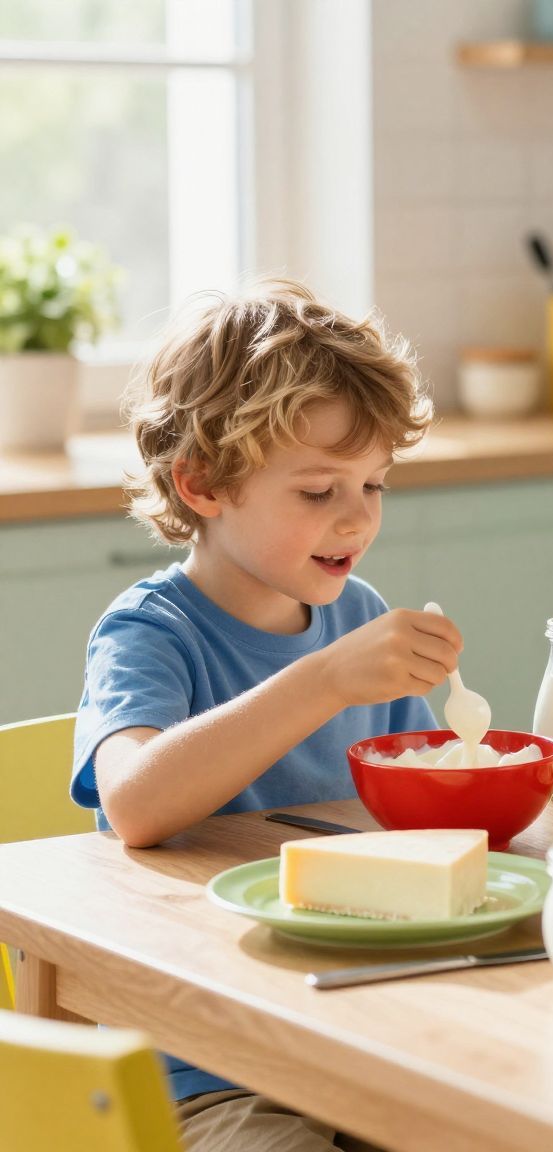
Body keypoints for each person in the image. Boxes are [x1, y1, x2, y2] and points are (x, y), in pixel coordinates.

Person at [72, 279, 456, 1152]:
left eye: (374, 485)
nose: (356, 517)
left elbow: (423, 812)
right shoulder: (151, 634)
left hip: (359, 1039)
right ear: (202, 484)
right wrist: (323, 681)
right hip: (207, 1070)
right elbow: (133, 803)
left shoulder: (358, 618)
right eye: (319, 491)